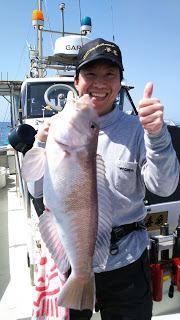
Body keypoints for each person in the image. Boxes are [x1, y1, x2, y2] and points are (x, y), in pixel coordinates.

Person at [28, 38, 179, 320]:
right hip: (71, 260)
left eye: (110, 74)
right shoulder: (53, 132)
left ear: (121, 81)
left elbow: (165, 187)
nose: (100, 83)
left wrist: (158, 136)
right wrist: (39, 144)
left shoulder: (139, 129)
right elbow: (36, 190)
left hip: (128, 264)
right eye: (90, 74)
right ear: (75, 81)